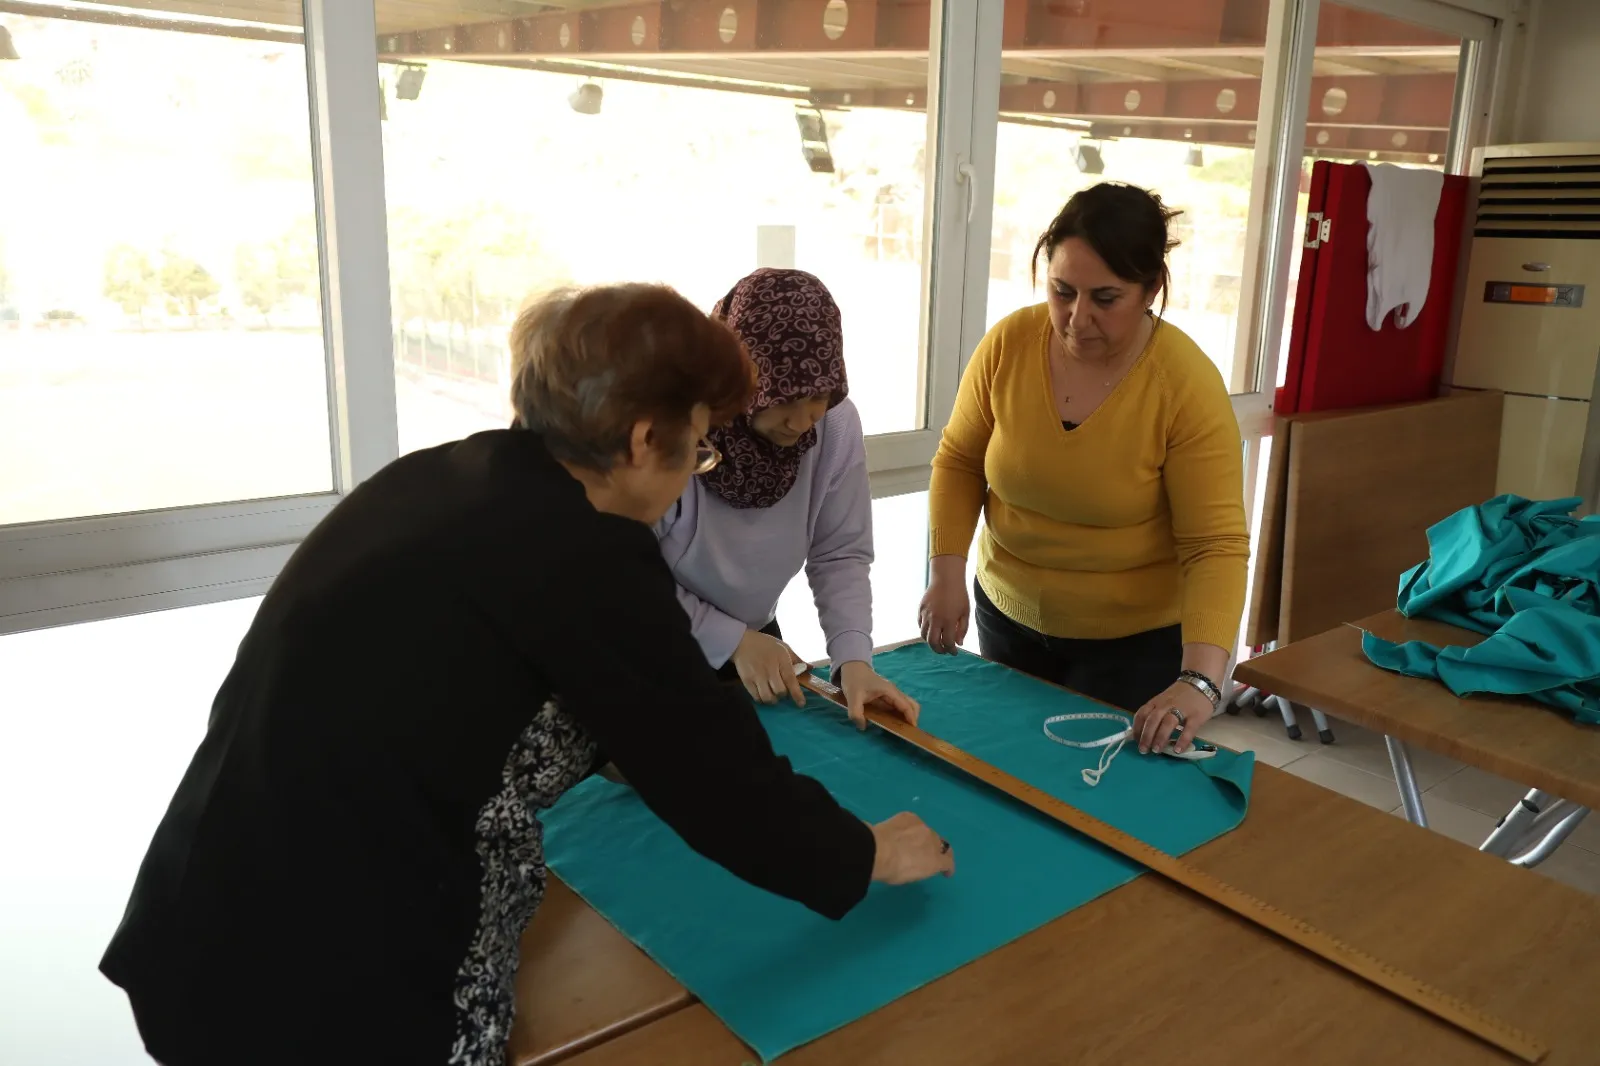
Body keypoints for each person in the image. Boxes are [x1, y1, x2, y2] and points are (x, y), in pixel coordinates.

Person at [100, 284, 954, 1066]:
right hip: (319, 976)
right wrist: (864, 851)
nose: (695, 475)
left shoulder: (443, 480)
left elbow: (479, 691)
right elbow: (710, 774)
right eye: (695, 453)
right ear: (640, 440)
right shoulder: (583, 554)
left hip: (204, 914)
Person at [918, 182, 1248, 757]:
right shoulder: (1009, 345)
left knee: (1098, 792)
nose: (1076, 318)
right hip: (1007, 613)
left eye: (1105, 298)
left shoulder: (1184, 383)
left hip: (1133, 643)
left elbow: (1214, 546)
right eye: (1062, 291)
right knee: (1012, 768)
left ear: (1150, 291)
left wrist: (1199, 681)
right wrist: (945, 573)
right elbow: (959, 460)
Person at [656, 268, 919, 729]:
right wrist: (730, 640)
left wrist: (854, 660)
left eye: (817, 395)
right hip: (657, 634)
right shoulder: (684, 423)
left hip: (755, 636)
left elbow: (839, 553)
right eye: (781, 395)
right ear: (739, 379)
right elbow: (625, 572)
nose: (801, 420)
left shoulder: (834, 424)